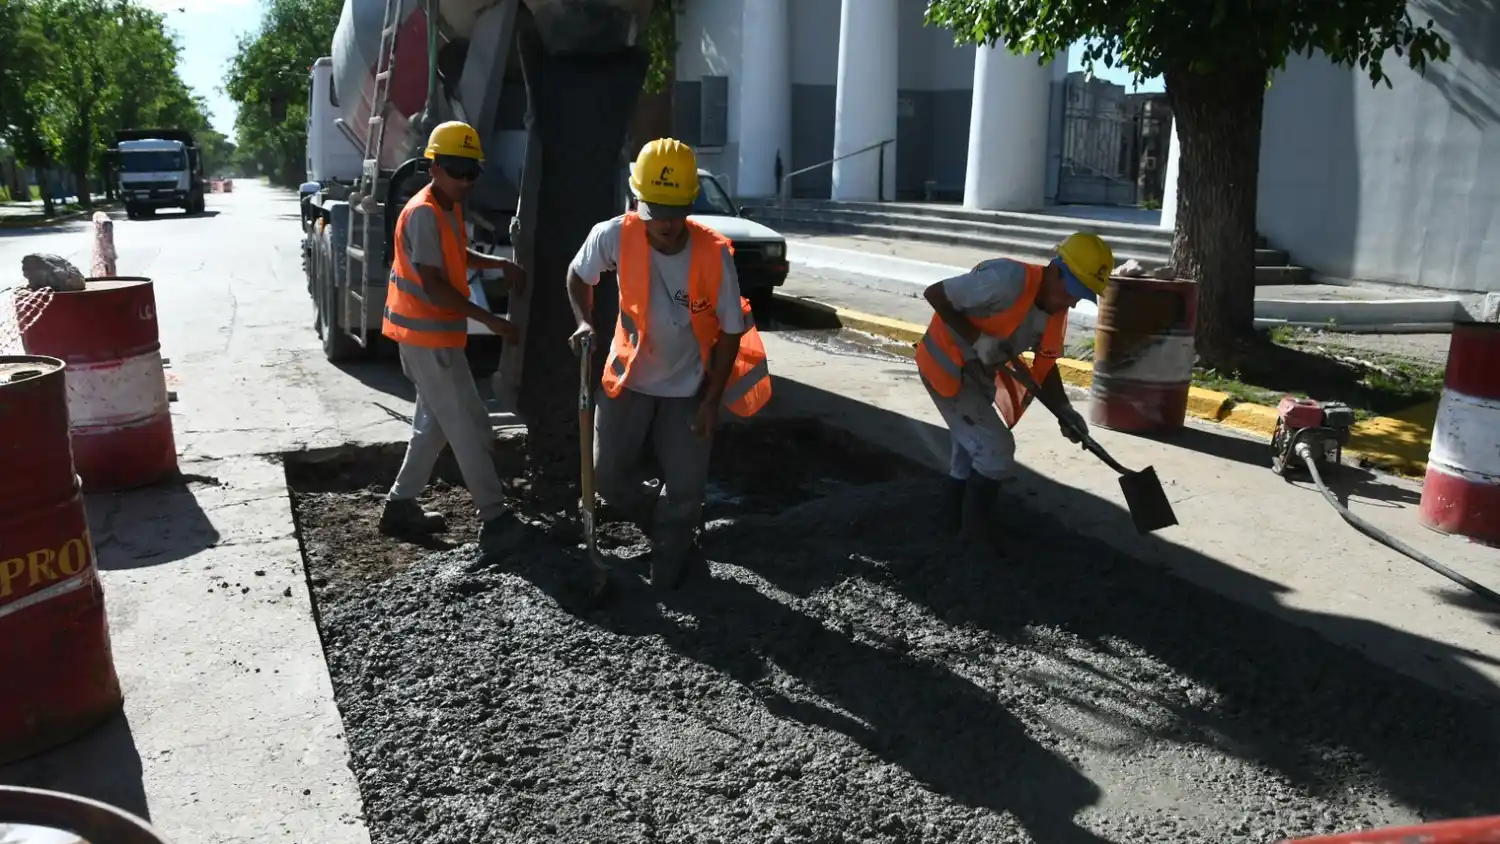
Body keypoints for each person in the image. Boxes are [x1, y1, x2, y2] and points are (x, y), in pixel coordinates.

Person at [567, 138, 772, 589]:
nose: (666, 222)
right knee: (607, 479)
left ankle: (673, 546)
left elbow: (730, 331)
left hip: (689, 387)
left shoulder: (713, 253)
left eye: (676, 211)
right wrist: (584, 321)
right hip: (629, 378)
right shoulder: (614, 235)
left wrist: (711, 402)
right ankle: (662, 526)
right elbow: (578, 275)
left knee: (686, 490)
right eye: (656, 210)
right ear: (637, 199)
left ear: (690, 204)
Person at [379, 120, 529, 555]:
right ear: (433, 167)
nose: (464, 180)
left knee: (435, 426)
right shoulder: (424, 212)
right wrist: (491, 321)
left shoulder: (447, 207)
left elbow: (454, 256)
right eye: (455, 170)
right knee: (465, 424)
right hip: (425, 340)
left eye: (471, 171)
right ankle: (495, 516)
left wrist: (498, 264)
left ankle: (400, 505)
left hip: (438, 338)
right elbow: (434, 284)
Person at [915, 232, 1115, 545]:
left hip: (978, 375)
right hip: (946, 366)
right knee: (996, 450)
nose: (1073, 302)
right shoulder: (1006, 280)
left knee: (970, 452)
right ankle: (974, 540)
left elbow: (1045, 366)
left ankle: (952, 522)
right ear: (1055, 271)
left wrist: (1064, 410)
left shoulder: (1054, 312)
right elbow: (935, 294)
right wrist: (978, 340)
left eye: (1082, 295)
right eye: (1073, 291)